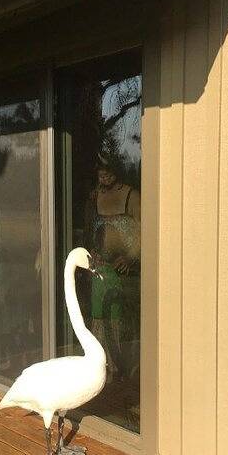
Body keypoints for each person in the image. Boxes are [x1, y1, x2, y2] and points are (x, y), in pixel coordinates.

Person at [85, 156, 141, 411]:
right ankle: (103, 365)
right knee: (100, 317)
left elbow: (145, 230)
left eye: (108, 174)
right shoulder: (95, 196)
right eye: (100, 174)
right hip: (101, 270)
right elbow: (90, 229)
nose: (104, 178)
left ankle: (124, 370)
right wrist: (92, 252)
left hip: (126, 273)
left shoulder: (131, 196)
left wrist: (131, 258)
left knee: (122, 320)